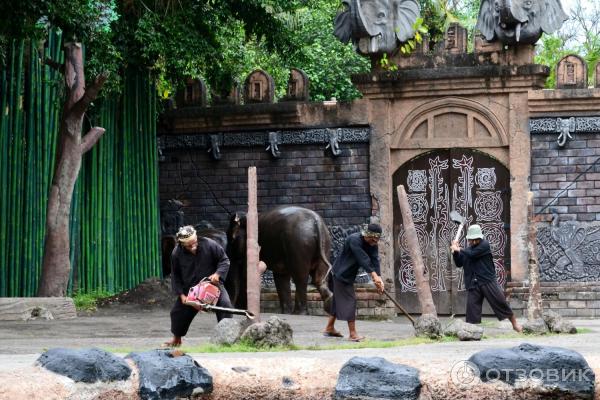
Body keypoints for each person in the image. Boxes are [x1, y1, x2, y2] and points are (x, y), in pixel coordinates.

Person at [163, 225, 233, 347]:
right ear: (182, 244)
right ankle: (177, 339)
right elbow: (176, 276)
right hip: (191, 289)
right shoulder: (176, 253)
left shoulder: (210, 244)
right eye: (189, 245)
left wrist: (217, 274)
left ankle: (225, 340)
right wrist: (181, 295)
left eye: (194, 243)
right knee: (177, 312)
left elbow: (224, 260)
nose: (193, 246)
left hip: (213, 286)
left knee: (226, 305)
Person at [451, 224, 522, 333]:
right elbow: (459, 263)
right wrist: (455, 253)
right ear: (469, 239)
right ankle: (472, 332)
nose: (474, 242)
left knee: (500, 301)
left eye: (476, 239)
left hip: (487, 280)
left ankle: (515, 324)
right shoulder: (468, 250)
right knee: (472, 310)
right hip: (473, 283)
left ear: (480, 238)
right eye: (472, 239)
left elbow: (472, 254)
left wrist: (459, 249)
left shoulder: (484, 245)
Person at [323, 223, 385, 342]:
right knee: (350, 301)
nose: (373, 242)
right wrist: (373, 275)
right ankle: (352, 334)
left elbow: (374, 260)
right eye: (372, 239)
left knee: (337, 302)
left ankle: (329, 328)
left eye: (376, 240)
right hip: (340, 274)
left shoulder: (372, 244)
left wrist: (379, 279)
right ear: (367, 235)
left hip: (348, 276)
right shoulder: (354, 239)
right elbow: (362, 258)